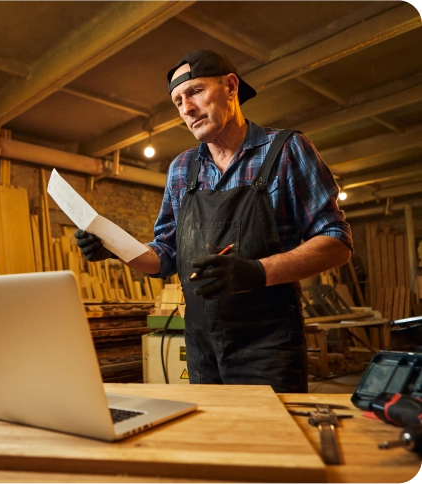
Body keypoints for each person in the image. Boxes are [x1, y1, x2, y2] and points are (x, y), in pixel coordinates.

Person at [75, 49, 352, 393]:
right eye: (178, 101)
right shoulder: (181, 169)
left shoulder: (286, 150)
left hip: (268, 345)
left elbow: (337, 243)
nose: (187, 108)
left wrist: (257, 271)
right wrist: (113, 246)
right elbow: (165, 256)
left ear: (231, 87)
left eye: (195, 91)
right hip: (201, 349)